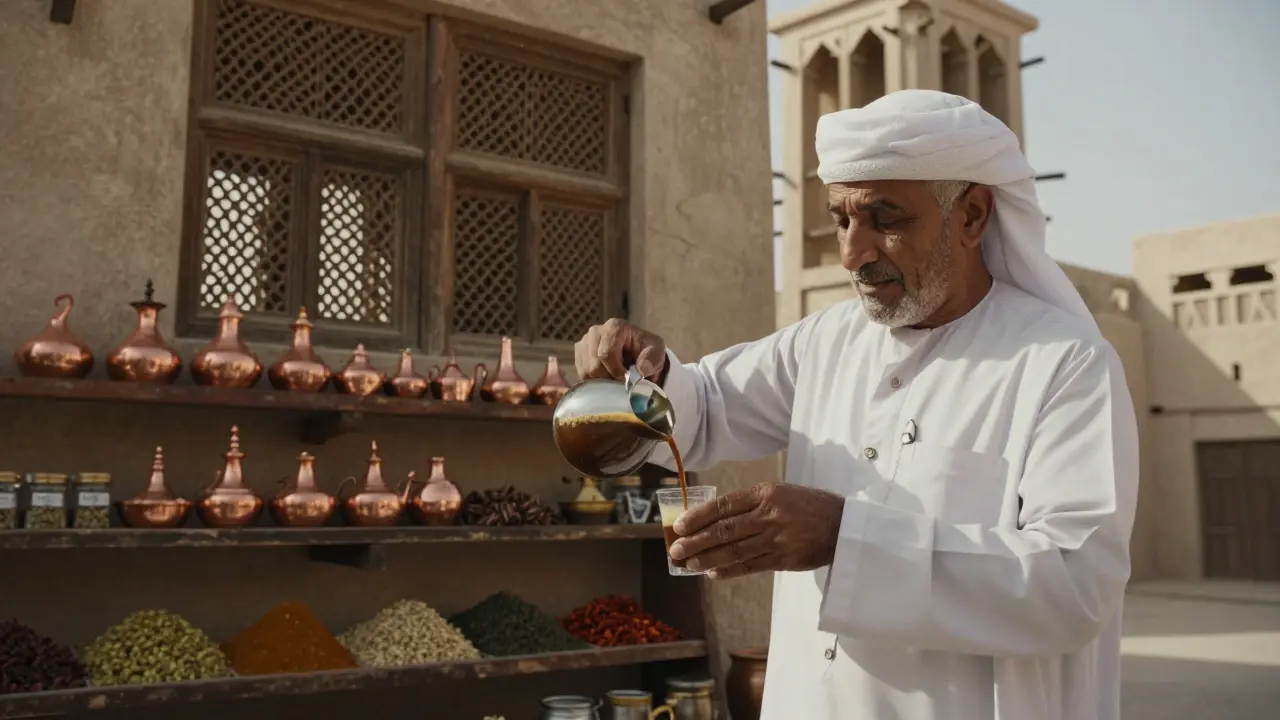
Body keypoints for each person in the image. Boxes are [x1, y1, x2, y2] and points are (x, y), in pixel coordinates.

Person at [573, 90, 1139, 720]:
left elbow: (1075, 585)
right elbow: (701, 407)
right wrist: (641, 371)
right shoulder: (827, 340)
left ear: (973, 216)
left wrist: (844, 536)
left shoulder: (1063, 363)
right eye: (842, 219)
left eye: (886, 219)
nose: (853, 253)